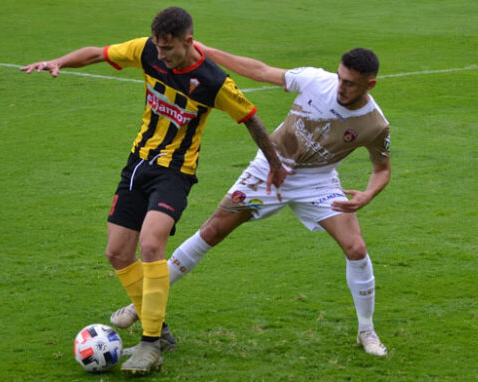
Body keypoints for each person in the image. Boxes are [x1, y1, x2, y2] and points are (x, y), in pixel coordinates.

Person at [20, 7, 287, 374]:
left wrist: (275, 164)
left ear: (188, 42)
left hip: (175, 171)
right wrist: (59, 62)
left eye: (168, 49)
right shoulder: (146, 50)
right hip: (138, 164)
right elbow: (99, 53)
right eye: (158, 47)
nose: (160, 55)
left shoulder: (212, 80)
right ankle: (159, 331)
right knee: (117, 252)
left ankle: (149, 345)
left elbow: (250, 118)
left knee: (150, 244)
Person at [111, 42, 392, 357]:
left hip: (317, 183)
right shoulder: (316, 80)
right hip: (269, 170)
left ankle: (366, 330)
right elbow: (259, 70)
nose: (341, 86)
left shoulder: (375, 124)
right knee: (212, 231)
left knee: (356, 248)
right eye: (341, 78)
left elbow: (382, 169)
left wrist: (367, 195)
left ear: (370, 84)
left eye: (350, 83)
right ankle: (143, 306)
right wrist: (204, 51)